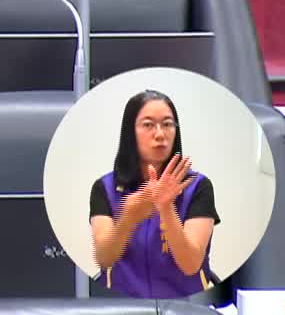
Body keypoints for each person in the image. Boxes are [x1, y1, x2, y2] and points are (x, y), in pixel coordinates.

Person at [89, 89, 220, 298]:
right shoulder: (105, 188)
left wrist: (166, 207)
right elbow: (104, 259)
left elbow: (191, 264)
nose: (160, 134)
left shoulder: (198, 186)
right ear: (130, 132)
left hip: (184, 305)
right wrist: (128, 217)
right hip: (123, 305)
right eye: (148, 125)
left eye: (167, 124)